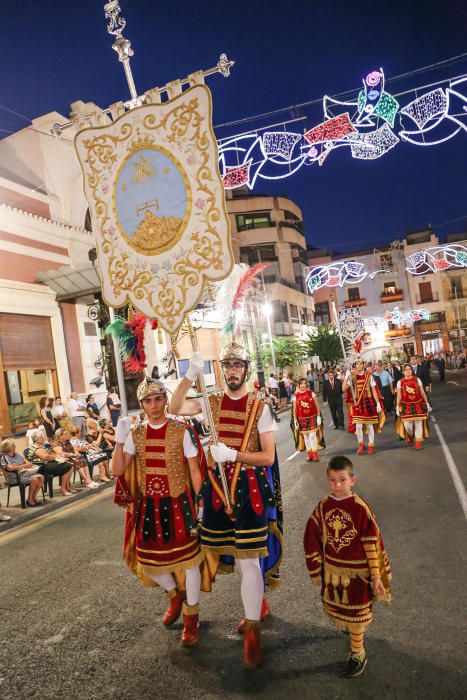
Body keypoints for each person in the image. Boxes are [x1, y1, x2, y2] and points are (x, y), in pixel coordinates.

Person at [169, 343, 283, 668]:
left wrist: (234, 455)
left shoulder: (262, 408)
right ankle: (237, 613)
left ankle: (253, 634)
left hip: (250, 491)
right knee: (227, 557)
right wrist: (190, 374)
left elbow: (268, 457)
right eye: (228, 365)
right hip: (218, 492)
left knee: (248, 563)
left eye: (238, 365)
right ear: (222, 369)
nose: (233, 370)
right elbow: (175, 406)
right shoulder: (210, 402)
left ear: (246, 369)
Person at [113, 377, 207, 647]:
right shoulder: (136, 434)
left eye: (158, 399)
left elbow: (194, 469)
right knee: (147, 560)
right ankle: (173, 595)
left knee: (189, 563)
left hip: (179, 504)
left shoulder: (182, 431)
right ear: (141, 404)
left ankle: (191, 618)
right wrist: (119, 441)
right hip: (149, 506)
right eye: (147, 401)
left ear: (165, 400)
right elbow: (119, 470)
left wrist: (200, 503)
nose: (153, 406)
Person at [304, 455, 391, 677]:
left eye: (342, 480)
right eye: (332, 480)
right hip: (333, 573)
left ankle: (357, 652)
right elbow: (311, 535)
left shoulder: (360, 508)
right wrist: (316, 567)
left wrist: (377, 576)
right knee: (341, 610)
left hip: (358, 574)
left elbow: (372, 543)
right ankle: (353, 637)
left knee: (357, 615)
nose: (337, 485)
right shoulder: (323, 507)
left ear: (353, 480)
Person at [342, 359, 385, 455]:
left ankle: (371, 444)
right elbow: (343, 388)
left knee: (369, 425)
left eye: (361, 363)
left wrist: (377, 403)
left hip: (368, 403)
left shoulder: (369, 376)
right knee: (358, 426)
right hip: (357, 403)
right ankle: (361, 445)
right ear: (355, 365)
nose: (359, 365)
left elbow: (374, 390)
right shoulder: (352, 377)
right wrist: (346, 377)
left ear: (363, 365)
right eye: (357, 363)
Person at [29, 430, 74, 497]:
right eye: (41, 437)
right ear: (37, 439)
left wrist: (58, 456)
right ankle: (63, 489)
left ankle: (66, 487)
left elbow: (50, 453)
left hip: (48, 464)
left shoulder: (42, 445)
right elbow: (46, 457)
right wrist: (56, 456)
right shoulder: (36, 447)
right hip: (42, 466)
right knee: (67, 466)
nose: (43, 438)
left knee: (69, 465)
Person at [395, 364, 430, 449]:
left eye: (409, 369)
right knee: (408, 425)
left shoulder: (417, 379)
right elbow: (399, 395)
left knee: (418, 423)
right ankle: (410, 435)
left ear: (411, 370)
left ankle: (418, 441)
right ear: (403, 372)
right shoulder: (400, 382)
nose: (408, 371)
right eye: (406, 369)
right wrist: (397, 405)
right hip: (405, 405)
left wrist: (426, 402)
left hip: (418, 403)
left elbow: (422, 392)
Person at [1, 439, 45, 507]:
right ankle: (30, 500)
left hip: (24, 474)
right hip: (15, 477)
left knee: (41, 477)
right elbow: (10, 468)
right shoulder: (4, 457)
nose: (15, 446)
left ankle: (34, 497)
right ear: (9, 447)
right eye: (13, 445)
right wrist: (24, 466)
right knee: (35, 479)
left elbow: (25, 461)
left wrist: (29, 465)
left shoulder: (16, 454)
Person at [292, 377, 323, 462]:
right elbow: (294, 409)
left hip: (312, 417)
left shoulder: (311, 393)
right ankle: (309, 453)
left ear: (306, 384)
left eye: (304, 383)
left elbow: (317, 405)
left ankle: (315, 453)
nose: (303, 385)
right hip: (302, 419)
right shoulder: (295, 396)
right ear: (298, 385)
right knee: (306, 437)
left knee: (312, 436)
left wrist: (318, 416)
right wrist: (295, 420)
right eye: (301, 384)